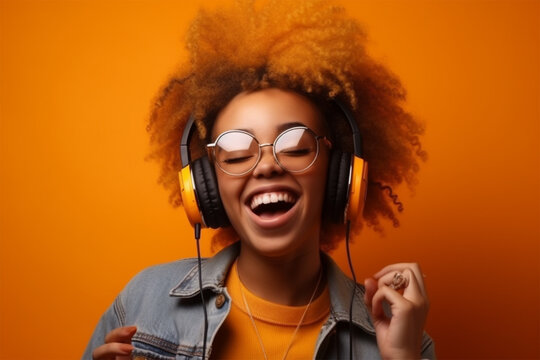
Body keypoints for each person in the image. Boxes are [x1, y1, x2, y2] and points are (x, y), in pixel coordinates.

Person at [84, 1, 435, 359]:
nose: (266, 166)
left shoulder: (399, 338)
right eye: (236, 152)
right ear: (206, 187)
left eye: (296, 146)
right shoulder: (143, 301)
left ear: (340, 173)